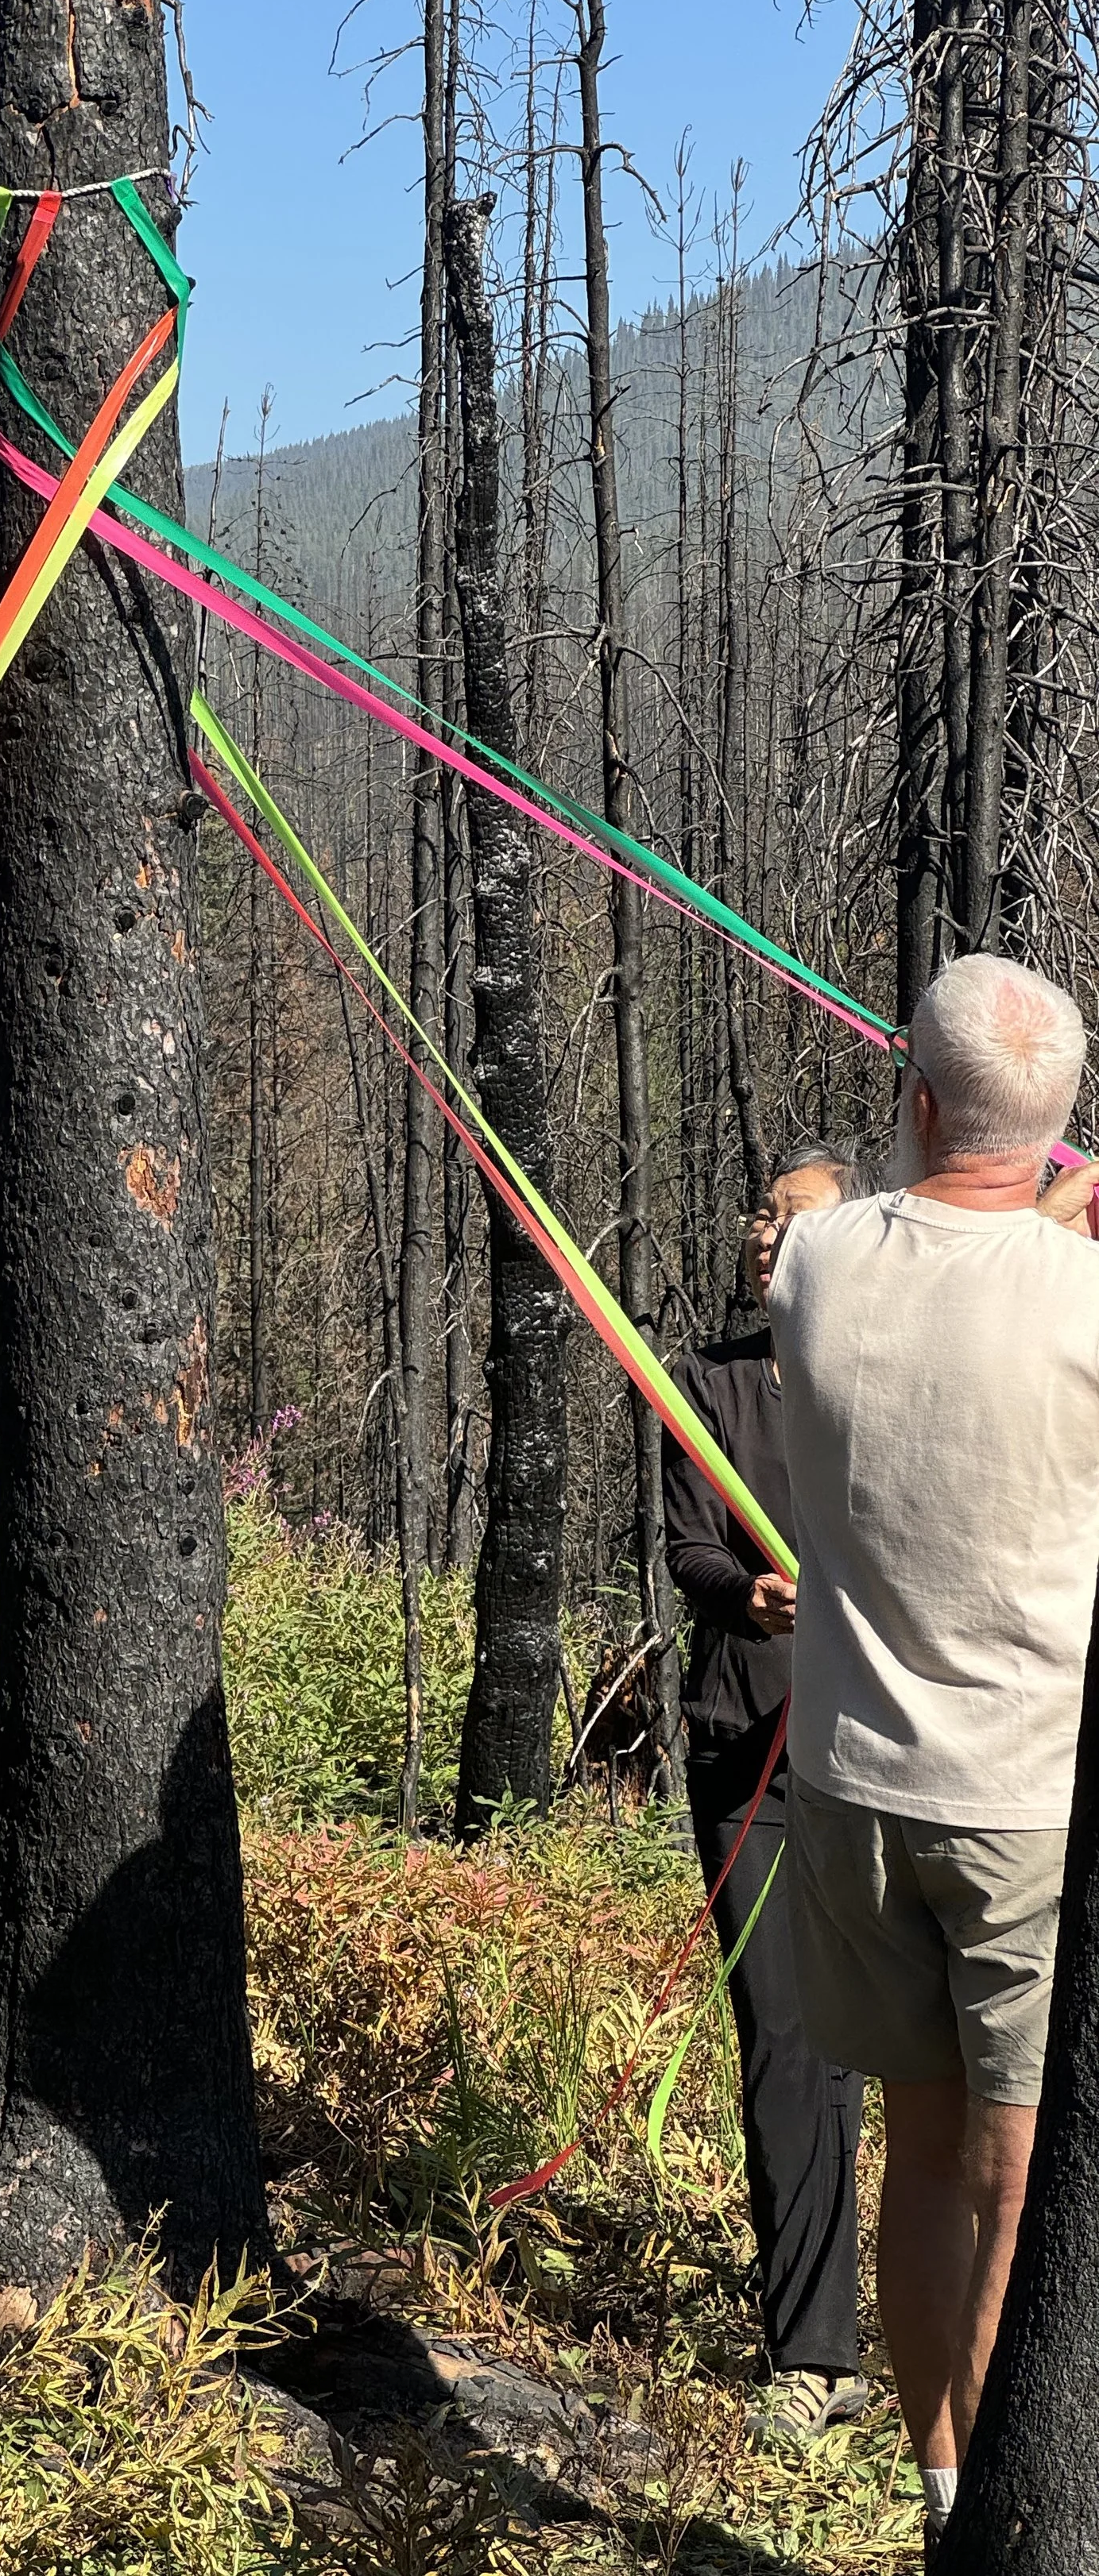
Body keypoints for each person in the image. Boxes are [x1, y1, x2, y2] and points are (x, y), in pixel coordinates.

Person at [768, 952, 1099, 2562]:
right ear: (1060, 1134)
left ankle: (941, 2475)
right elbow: (1011, 1279)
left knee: (912, 2151)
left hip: (847, 1783)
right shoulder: (1083, 1293)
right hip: (1028, 1800)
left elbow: (878, 1228)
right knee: (1009, 2169)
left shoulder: (820, 1263)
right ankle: (1002, 2520)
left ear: (910, 1101)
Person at [661, 1145, 869, 2447]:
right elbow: (689, 1546)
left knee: (900, 2053)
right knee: (788, 2041)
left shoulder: (887, 1388)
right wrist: (747, 1594)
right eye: (757, 1212)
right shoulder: (709, 1386)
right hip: (748, 1757)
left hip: (883, 1754)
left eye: (791, 1217)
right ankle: (814, 2354)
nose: (763, 1231)